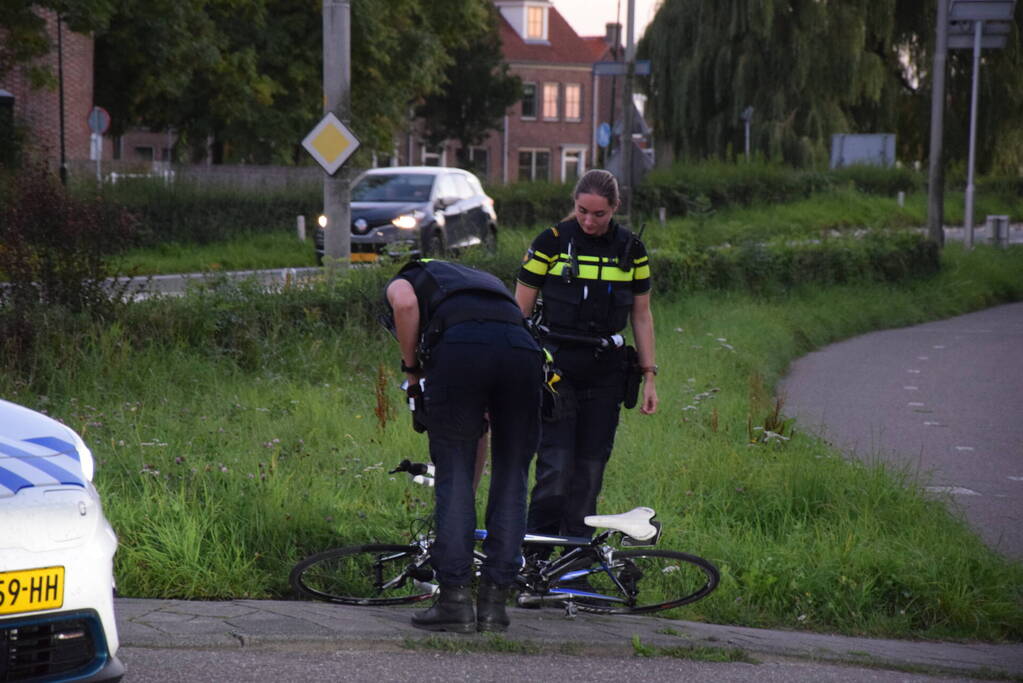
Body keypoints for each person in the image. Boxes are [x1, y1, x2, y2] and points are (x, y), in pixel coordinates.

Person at [385, 258, 543, 633]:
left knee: (452, 473)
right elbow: (481, 431)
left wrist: (412, 373)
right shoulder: (481, 280)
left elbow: (405, 305)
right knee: (512, 474)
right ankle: (493, 605)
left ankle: (455, 600)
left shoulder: (405, 278)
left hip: (461, 351)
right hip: (522, 352)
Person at [514, 169, 658, 549]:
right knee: (555, 470)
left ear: (615, 208)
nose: (590, 222)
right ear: (574, 205)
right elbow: (520, 315)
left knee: (590, 472)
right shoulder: (550, 242)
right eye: (582, 212)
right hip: (555, 369)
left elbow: (641, 316)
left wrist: (649, 375)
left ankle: (575, 564)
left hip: (606, 373)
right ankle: (536, 558)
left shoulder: (633, 250)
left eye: (599, 214)